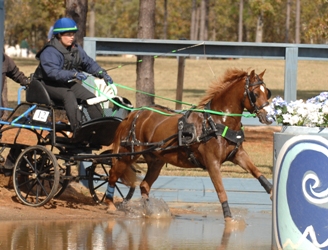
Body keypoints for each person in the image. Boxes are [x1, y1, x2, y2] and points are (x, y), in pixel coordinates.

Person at [33, 17, 114, 134]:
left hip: (65, 83)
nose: (72, 37)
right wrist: (73, 74)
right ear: (59, 35)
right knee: (69, 96)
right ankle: (78, 130)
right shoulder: (50, 51)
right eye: (68, 34)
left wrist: (101, 73)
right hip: (46, 84)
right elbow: (52, 73)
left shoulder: (75, 49)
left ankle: (101, 129)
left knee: (91, 97)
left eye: (73, 34)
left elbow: (88, 63)